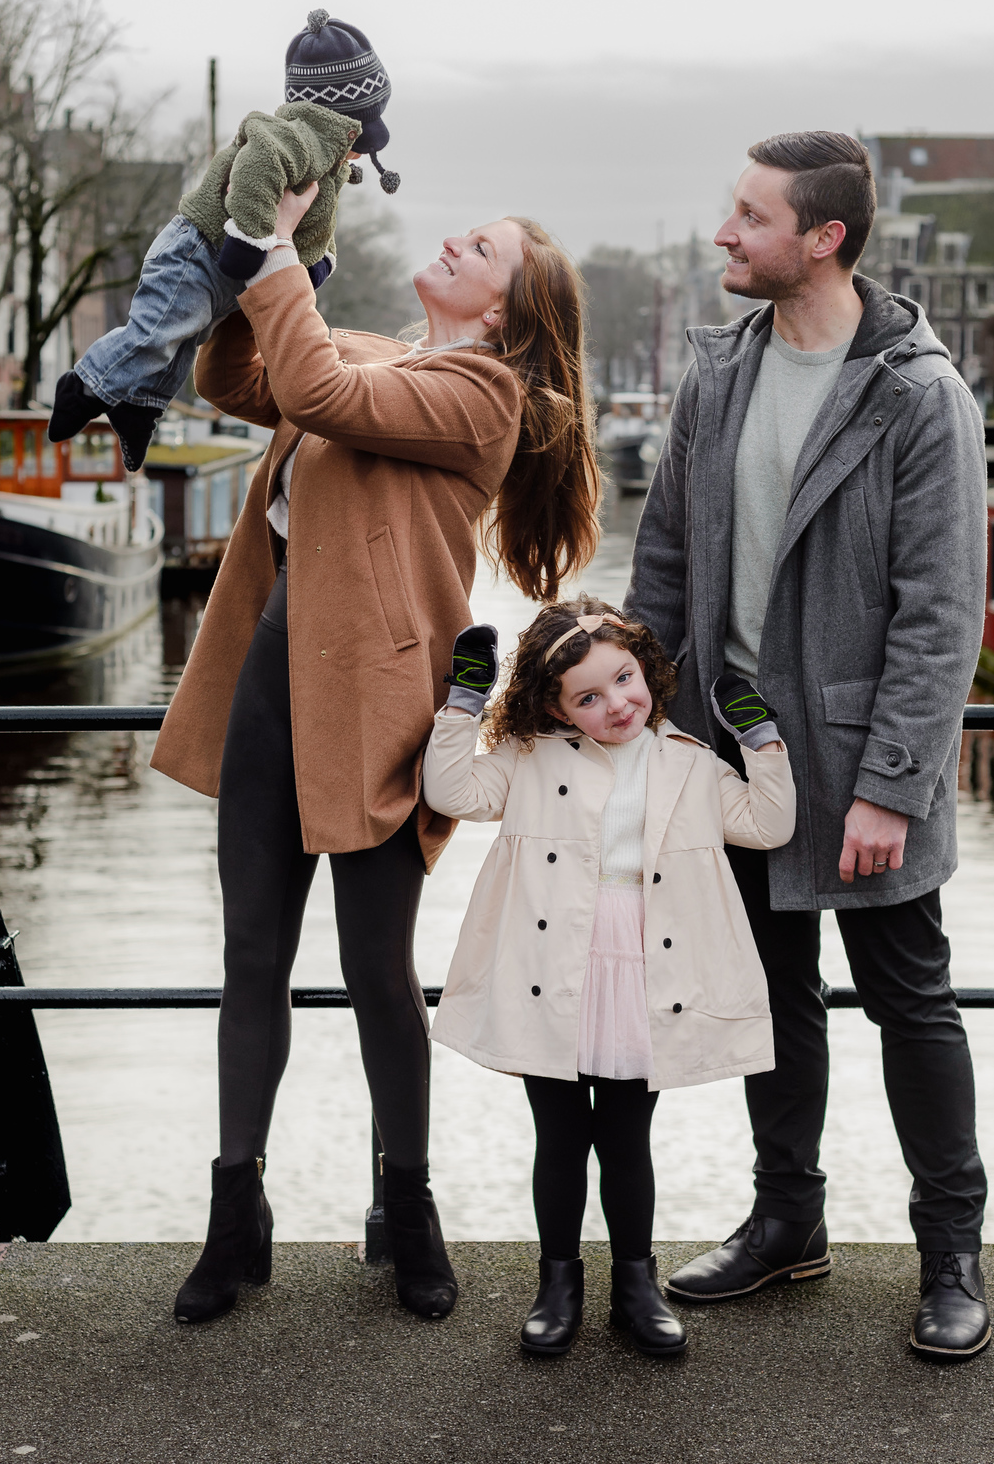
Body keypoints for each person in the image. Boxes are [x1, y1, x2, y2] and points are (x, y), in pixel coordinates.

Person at [148, 190, 601, 1326]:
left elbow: (316, 390)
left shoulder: (484, 396)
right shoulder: (367, 350)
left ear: (506, 309)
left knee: (377, 970)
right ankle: (234, 1211)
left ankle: (408, 1206)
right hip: (271, 669)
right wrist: (281, 244)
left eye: (481, 247)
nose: (453, 239)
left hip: (382, 696)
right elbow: (241, 381)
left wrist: (276, 266)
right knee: (250, 952)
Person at [625, 131, 991, 1359]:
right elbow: (666, 559)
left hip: (860, 765)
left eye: (748, 216)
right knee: (769, 998)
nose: (724, 233)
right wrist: (662, 725)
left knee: (912, 1003)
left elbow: (943, 612)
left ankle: (953, 1254)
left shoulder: (917, 393)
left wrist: (892, 785)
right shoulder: (719, 372)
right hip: (737, 753)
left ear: (822, 238)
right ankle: (789, 1220)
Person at [421, 600, 795, 1357]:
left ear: (645, 670)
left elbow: (767, 824)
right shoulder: (529, 756)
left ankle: (636, 1287)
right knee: (557, 1135)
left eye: (623, 680)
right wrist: (464, 705)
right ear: (553, 706)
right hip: (553, 959)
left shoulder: (688, 759)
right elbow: (451, 793)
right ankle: (556, 1286)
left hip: (647, 965)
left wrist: (761, 738)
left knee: (628, 1137)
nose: (615, 704)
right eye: (586, 697)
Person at [48, 10, 400, 470]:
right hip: (198, 250)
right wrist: (249, 241)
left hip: (221, 271)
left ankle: (140, 408)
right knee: (157, 333)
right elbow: (257, 165)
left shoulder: (327, 159)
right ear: (341, 119)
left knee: (183, 341)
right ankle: (85, 385)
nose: (363, 149)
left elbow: (315, 224)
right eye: (362, 131)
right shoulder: (298, 140)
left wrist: (315, 263)